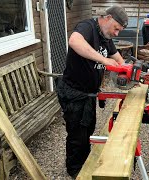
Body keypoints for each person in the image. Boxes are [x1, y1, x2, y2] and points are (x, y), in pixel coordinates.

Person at [55, 5, 128, 178]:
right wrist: (105, 61)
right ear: (108, 18)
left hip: (89, 94)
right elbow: (74, 41)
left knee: (88, 129)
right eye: (116, 29)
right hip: (73, 92)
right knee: (77, 134)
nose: (116, 34)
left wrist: (128, 72)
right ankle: (75, 171)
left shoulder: (106, 37)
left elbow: (118, 59)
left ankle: (84, 162)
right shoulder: (88, 27)